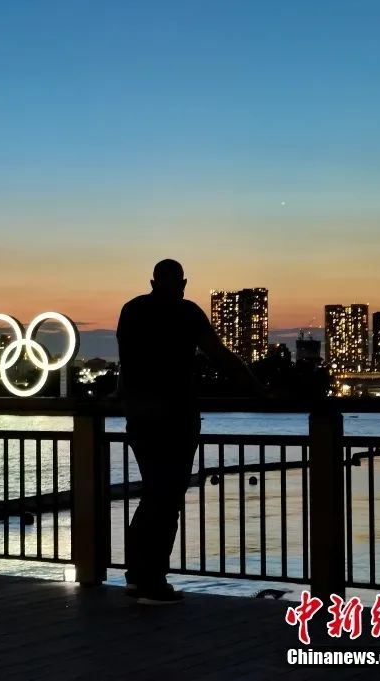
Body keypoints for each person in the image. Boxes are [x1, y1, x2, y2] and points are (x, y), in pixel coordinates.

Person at [116, 259, 266, 605]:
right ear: (183, 283)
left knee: (154, 495)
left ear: (152, 281)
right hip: (177, 416)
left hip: (140, 415)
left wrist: (122, 397)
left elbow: (128, 362)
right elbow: (222, 358)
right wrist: (261, 391)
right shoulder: (187, 313)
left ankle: (138, 576)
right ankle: (153, 581)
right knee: (167, 500)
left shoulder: (132, 310)